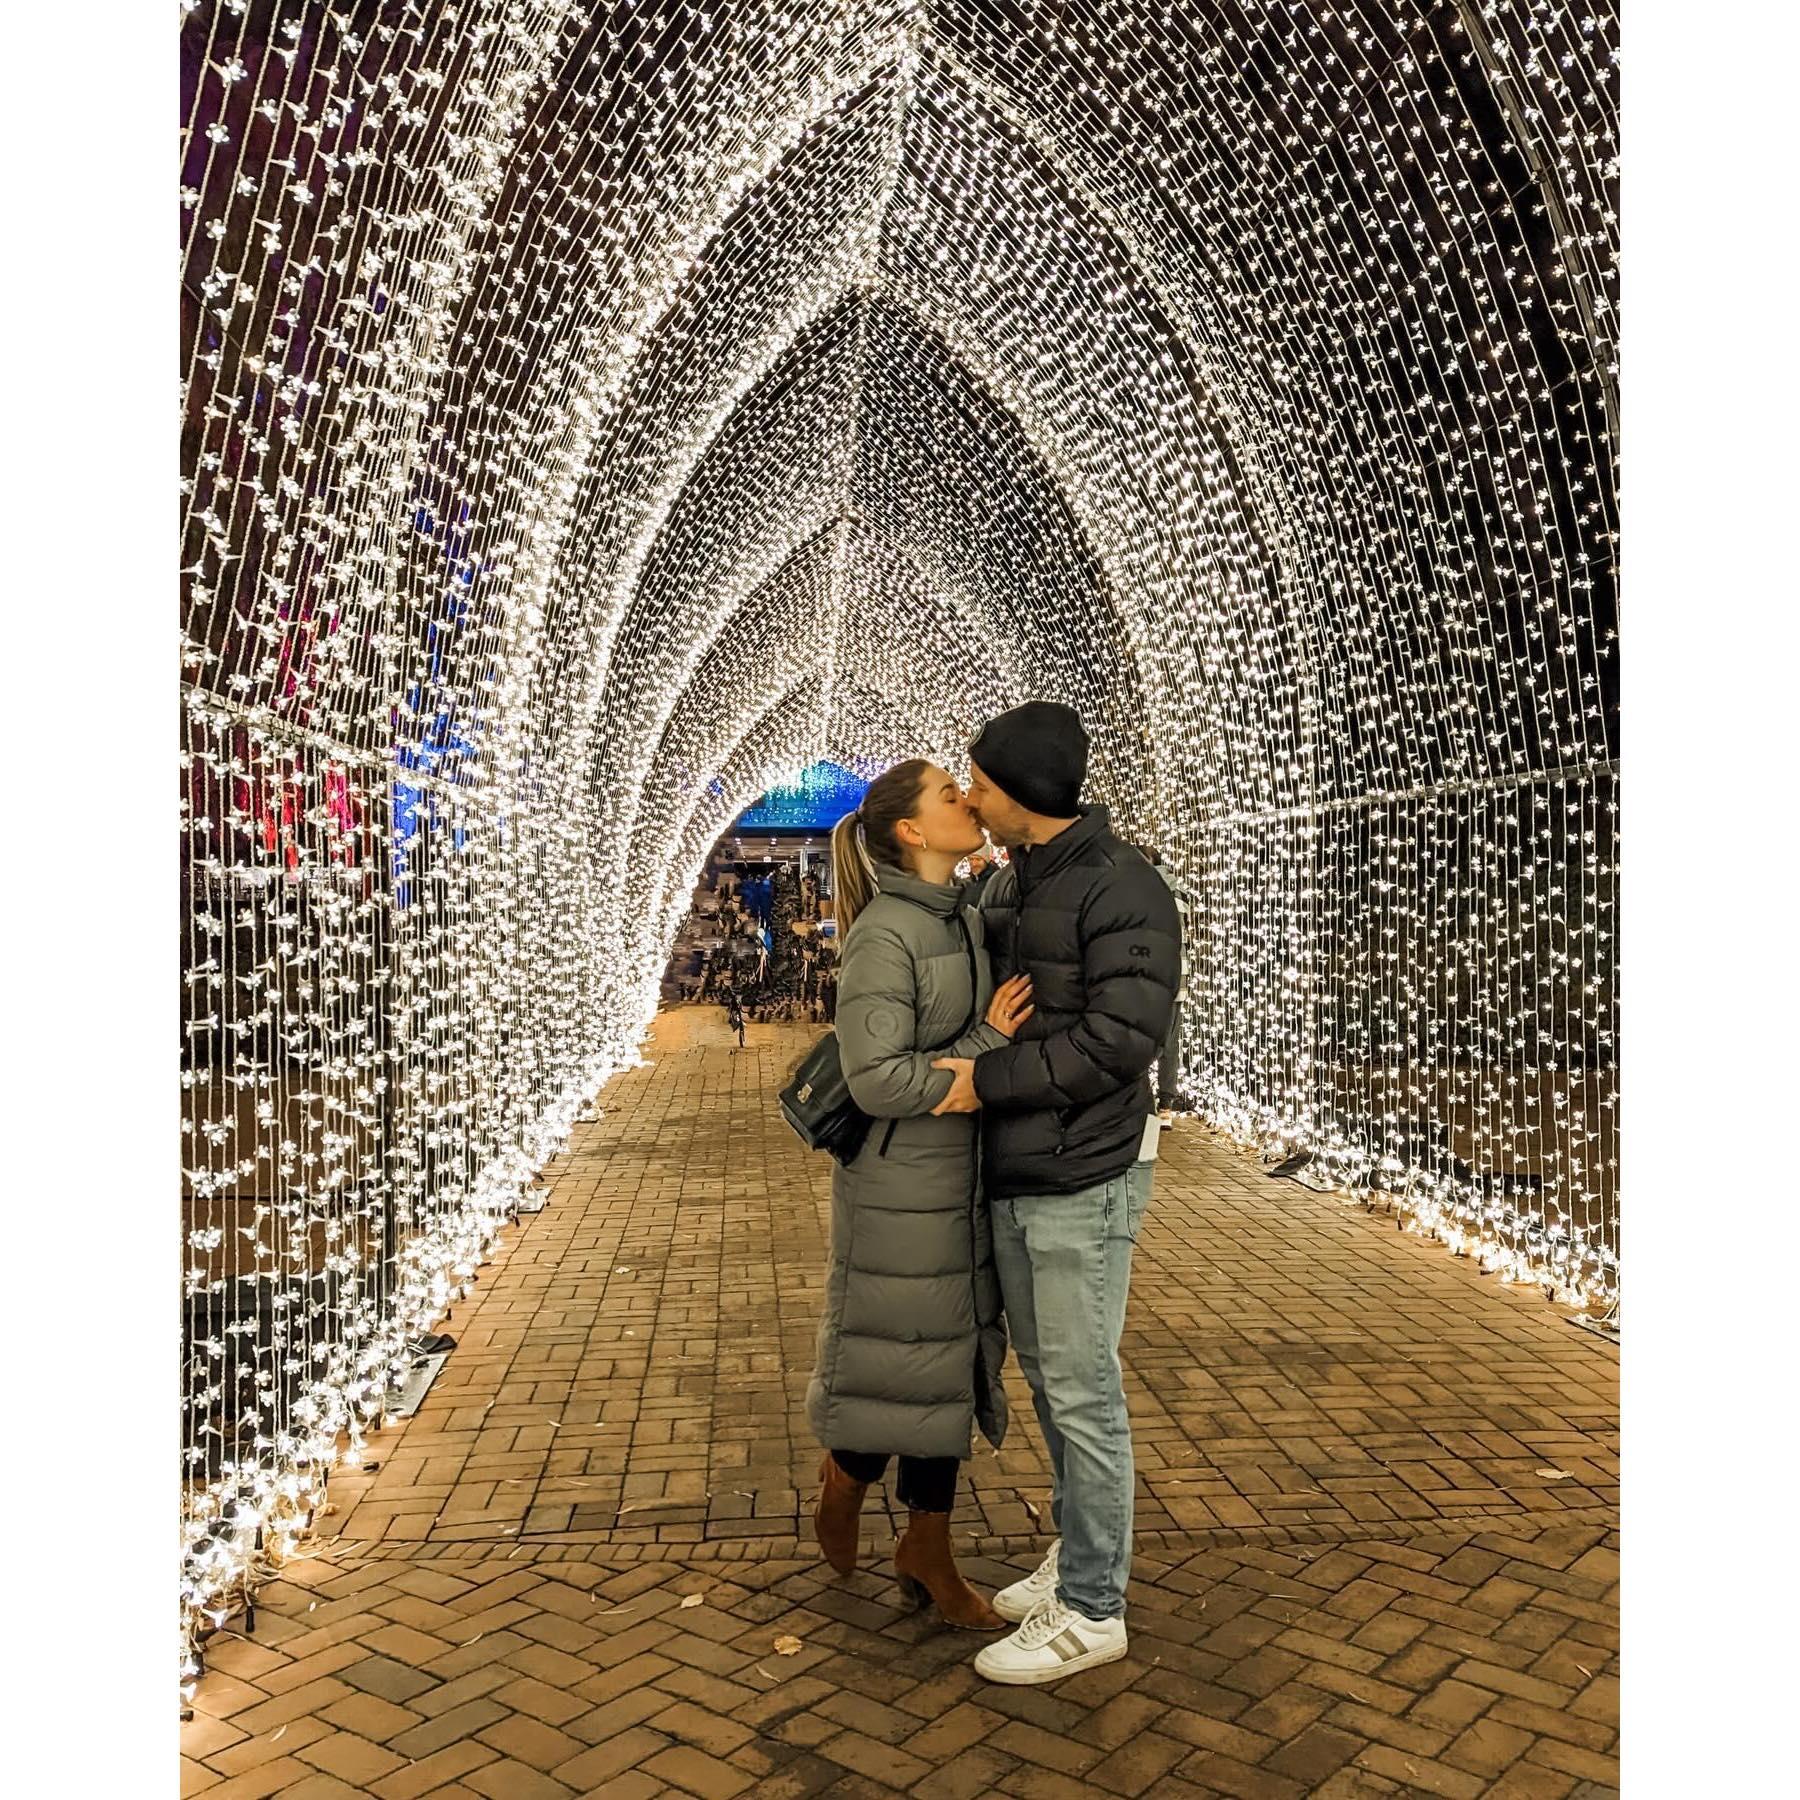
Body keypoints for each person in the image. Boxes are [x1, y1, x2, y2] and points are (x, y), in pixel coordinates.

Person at [932, 701, 1180, 1685]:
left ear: (1023, 789)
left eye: (980, 781)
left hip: (1082, 1174)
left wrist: (984, 1080)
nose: (970, 794)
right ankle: (1077, 1561)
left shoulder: (1123, 888)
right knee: (1053, 1386)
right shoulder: (1015, 879)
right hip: (1023, 1167)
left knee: (1084, 1395)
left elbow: (1120, 1041)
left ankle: (1093, 1608)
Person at [805, 759, 1036, 1629]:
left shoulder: (963, 917)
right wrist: (983, 1047)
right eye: (949, 793)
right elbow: (874, 1081)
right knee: (903, 1357)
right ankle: (846, 1476)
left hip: (963, 1175)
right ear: (910, 830)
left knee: (947, 1364)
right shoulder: (885, 935)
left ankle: (927, 1545)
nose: (966, 800)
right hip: (901, 1184)